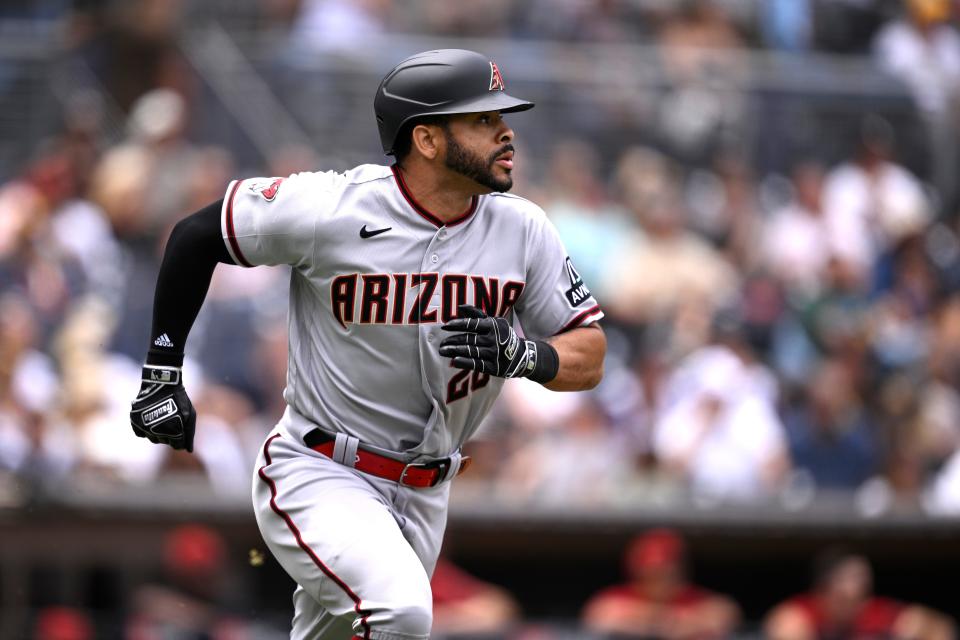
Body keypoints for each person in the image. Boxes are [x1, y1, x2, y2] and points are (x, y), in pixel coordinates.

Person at [128, 48, 606, 639]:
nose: (506, 131)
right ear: (427, 140)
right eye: (483, 119)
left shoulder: (523, 228)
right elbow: (196, 235)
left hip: (428, 491)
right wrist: (161, 371)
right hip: (322, 469)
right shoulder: (333, 207)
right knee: (401, 613)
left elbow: (589, 352)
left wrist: (527, 356)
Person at [581, 528, 741, 639]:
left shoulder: (694, 597)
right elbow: (599, 614)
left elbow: (726, 612)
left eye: (665, 570)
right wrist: (660, 621)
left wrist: (680, 624)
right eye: (651, 572)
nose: (659, 578)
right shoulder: (620, 595)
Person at [764, 550, 955, 640]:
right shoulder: (801, 613)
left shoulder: (874, 611)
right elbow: (783, 627)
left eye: (864, 587)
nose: (858, 596)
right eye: (851, 583)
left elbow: (941, 629)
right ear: (824, 590)